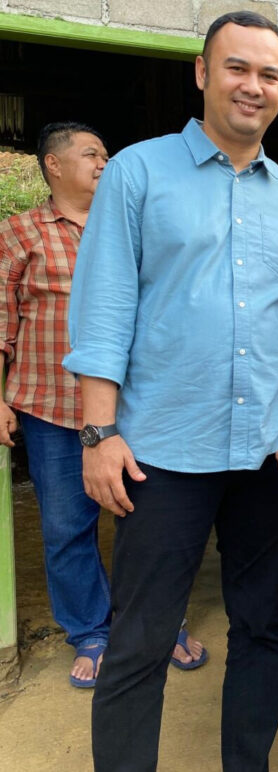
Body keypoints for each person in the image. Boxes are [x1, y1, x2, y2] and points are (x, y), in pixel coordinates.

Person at [63, 12, 278, 771]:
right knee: (142, 637)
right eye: (238, 68)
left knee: (260, 630)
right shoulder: (138, 172)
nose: (253, 87)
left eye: (270, 75)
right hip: (160, 448)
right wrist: (98, 434)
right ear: (202, 73)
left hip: (268, 449)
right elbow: (103, 308)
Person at [0, 122, 206, 687]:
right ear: (53, 166)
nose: (104, 163)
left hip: (133, 408)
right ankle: (90, 631)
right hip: (52, 408)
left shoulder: (134, 227)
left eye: (107, 154)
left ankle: (157, 624)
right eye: (92, 154)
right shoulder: (20, 233)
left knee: (149, 522)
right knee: (68, 525)